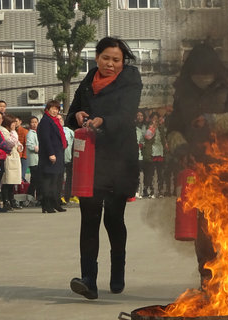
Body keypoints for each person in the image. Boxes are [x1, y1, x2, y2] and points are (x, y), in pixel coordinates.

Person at [65, 37, 142, 299]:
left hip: (120, 159)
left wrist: (103, 120)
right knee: (89, 219)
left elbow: (127, 114)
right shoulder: (89, 79)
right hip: (90, 161)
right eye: (105, 58)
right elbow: (71, 113)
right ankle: (88, 279)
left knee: (113, 218)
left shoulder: (130, 79)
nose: (110, 64)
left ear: (123, 62)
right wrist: (78, 116)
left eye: (116, 60)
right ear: (97, 57)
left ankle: (117, 270)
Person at [165, 41, 228, 288]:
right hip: (195, 167)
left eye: (207, 75)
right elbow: (173, 127)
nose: (202, 79)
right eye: (197, 75)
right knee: (201, 227)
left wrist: (210, 121)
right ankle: (207, 275)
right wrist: (181, 149)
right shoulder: (182, 90)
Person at [38, 100, 67, 214]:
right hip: (50, 155)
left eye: (57, 109)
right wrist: (51, 153)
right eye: (53, 108)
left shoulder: (55, 121)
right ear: (48, 109)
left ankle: (56, 203)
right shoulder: (46, 121)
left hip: (58, 153)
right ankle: (47, 205)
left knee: (56, 181)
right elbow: (46, 139)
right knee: (48, 182)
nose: (55, 111)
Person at [1, 114, 24, 210]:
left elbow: (18, 144)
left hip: (14, 156)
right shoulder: (4, 131)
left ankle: (11, 199)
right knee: (7, 181)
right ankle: (6, 200)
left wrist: (20, 147)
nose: (14, 125)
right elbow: (11, 142)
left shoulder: (11, 131)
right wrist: (14, 132)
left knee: (12, 182)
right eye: (13, 123)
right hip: (8, 157)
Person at [142, 112, 165, 198]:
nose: (155, 120)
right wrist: (152, 128)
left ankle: (160, 190)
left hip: (160, 152)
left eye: (157, 118)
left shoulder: (161, 128)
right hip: (152, 152)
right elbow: (147, 137)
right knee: (150, 173)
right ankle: (151, 191)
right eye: (154, 118)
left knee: (160, 173)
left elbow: (163, 139)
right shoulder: (148, 127)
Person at [60, 115, 76, 204]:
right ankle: (59, 197)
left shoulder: (69, 131)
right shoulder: (55, 130)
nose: (59, 120)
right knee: (59, 179)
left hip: (69, 158)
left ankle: (68, 197)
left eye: (61, 119)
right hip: (59, 159)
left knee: (69, 179)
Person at [26, 116, 41, 204]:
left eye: (36, 122)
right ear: (30, 124)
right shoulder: (30, 133)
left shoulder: (37, 132)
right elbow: (29, 145)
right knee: (35, 180)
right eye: (32, 122)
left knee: (37, 180)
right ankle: (30, 197)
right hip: (34, 160)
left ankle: (36, 198)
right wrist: (39, 149)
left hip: (38, 160)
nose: (34, 124)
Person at [16, 116, 30, 183]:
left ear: (20, 122)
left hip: (23, 156)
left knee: (22, 175)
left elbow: (26, 144)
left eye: (16, 121)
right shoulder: (12, 131)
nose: (15, 123)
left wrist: (24, 156)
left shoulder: (25, 131)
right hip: (16, 156)